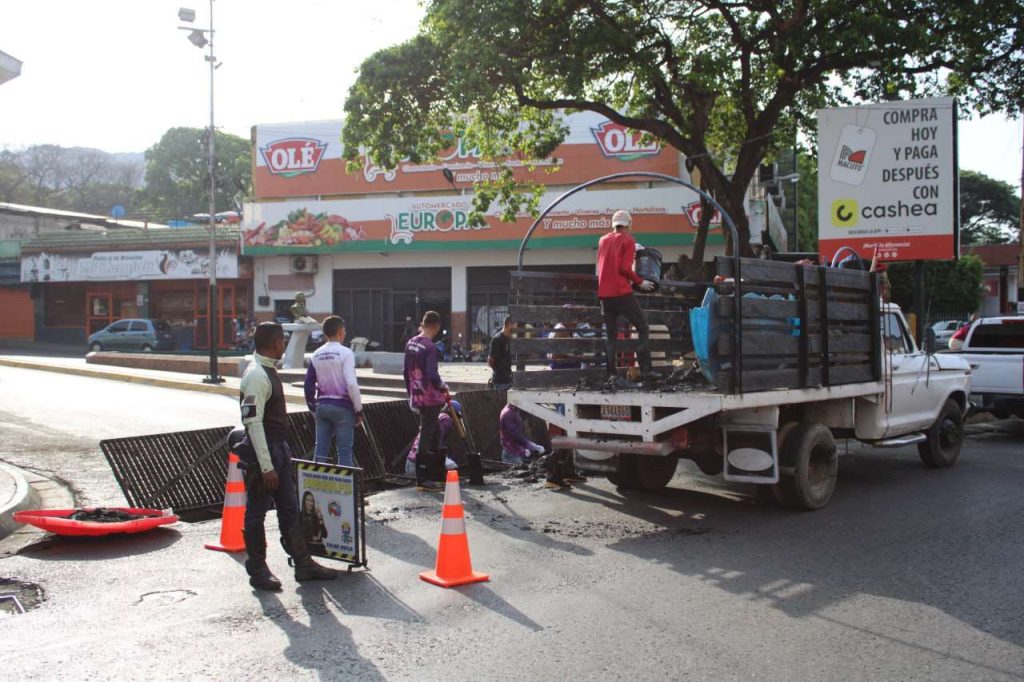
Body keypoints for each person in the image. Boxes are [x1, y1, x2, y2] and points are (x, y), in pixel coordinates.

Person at [238, 322, 336, 591]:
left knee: (290, 508)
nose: (284, 345)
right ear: (274, 343)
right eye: (282, 341)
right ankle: (258, 569)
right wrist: (266, 466)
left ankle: (303, 563)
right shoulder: (256, 375)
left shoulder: (266, 370)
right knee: (256, 512)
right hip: (265, 452)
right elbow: (252, 423)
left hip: (278, 448)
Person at [597, 210, 659, 385]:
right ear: (629, 224)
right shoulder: (628, 239)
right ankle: (647, 371)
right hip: (621, 293)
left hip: (604, 295)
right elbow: (625, 268)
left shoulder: (602, 240)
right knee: (643, 327)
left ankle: (611, 374)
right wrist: (640, 282)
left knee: (611, 336)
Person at [304, 315, 363, 467]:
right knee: (344, 452)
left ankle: (316, 486)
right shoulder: (346, 353)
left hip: (322, 406)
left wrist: (313, 408)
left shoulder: (316, 354)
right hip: (343, 407)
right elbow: (351, 384)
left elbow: (308, 384)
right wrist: (358, 410)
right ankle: (345, 490)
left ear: (325, 333)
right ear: (341, 332)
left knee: (320, 450)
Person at [403, 311, 450, 492]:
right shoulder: (430, 347)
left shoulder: (411, 343)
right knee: (427, 434)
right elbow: (432, 374)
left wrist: (411, 395)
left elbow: (405, 372)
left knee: (436, 432)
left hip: (417, 394)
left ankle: (436, 473)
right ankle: (422, 477)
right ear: (436, 327)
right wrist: (443, 386)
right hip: (430, 398)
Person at [405, 401, 461, 477]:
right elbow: (438, 440)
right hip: (421, 464)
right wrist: (442, 457)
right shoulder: (445, 419)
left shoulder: (436, 418)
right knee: (452, 467)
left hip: (412, 461)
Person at [499, 403, 545, 467]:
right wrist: (531, 447)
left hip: (512, 450)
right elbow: (515, 435)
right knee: (515, 472)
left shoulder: (513, 410)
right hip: (512, 453)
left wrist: (532, 447)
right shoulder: (509, 413)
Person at [487, 315, 515, 389]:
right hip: (500, 382)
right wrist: (498, 371)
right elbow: (491, 361)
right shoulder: (497, 340)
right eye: (516, 325)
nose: (517, 328)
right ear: (509, 324)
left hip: (508, 380)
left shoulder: (509, 339)